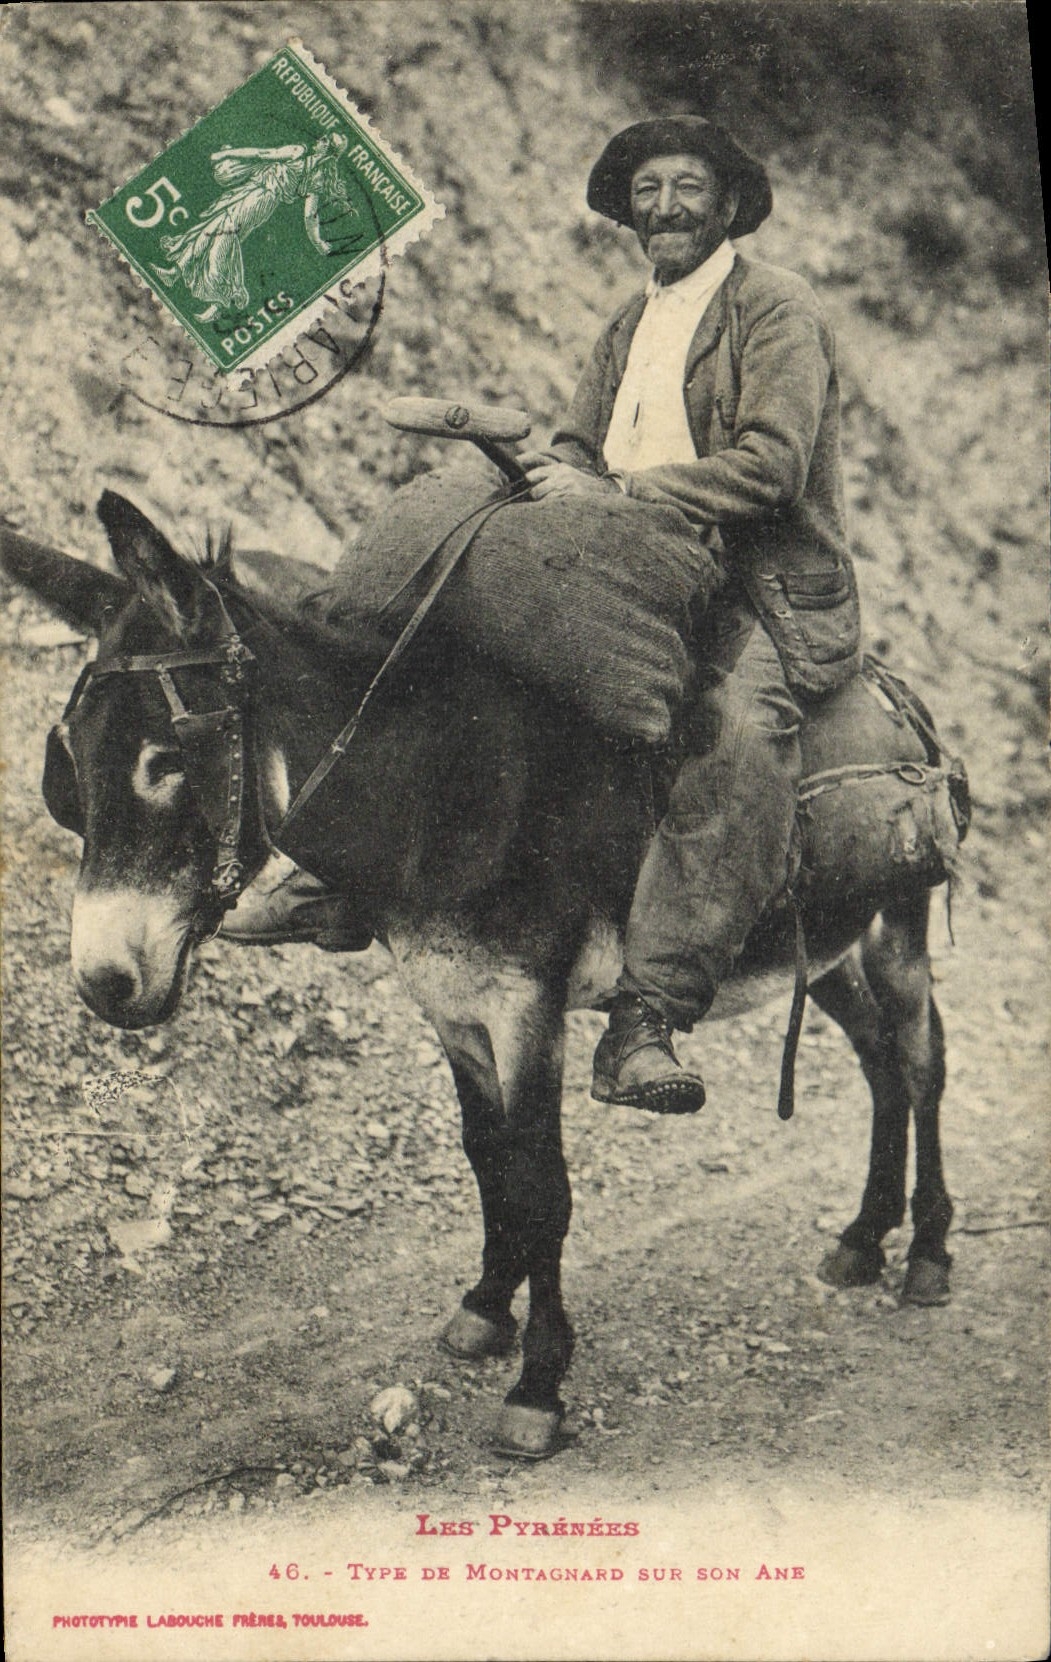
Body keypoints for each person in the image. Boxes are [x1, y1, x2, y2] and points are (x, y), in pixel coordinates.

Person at [518, 117, 861, 1113]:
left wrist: (621, 496)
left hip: (760, 590)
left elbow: (770, 467)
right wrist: (552, 478)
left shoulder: (775, 308)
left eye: (685, 186)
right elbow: (578, 449)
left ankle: (647, 1019)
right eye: (645, 189)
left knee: (741, 739)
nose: (662, 204)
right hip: (635, 573)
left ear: (726, 205)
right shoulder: (628, 324)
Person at [150, 133, 355, 319]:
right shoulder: (309, 165)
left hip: (259, 197)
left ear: (326, 147)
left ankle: (221, 294)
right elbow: (309, 213)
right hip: (253, 193)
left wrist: (225, 155)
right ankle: (183, 278)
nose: (319, 140)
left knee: (221, 236)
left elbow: (261, 155)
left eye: (325, 140)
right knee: (213, 231)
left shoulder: (301, 156)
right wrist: (317, 241)